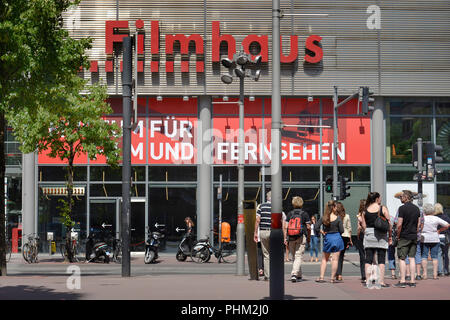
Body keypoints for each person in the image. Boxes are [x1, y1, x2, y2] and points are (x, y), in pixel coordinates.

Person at [361, 192, 391, 288]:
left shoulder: (365, 211)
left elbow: (364, 226)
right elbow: (389, 223)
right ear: (377, 199)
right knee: (381, 259)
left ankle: (368, 281)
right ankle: (381, 281)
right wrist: (390, 236)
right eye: (380, 198)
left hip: (369, 235)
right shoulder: (382, 208)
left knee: (368, 259)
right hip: (381, 235)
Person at [254, 191, 285, 281]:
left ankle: (268, 275)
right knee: (274, 254)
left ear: (267, 198)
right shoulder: (277, 207)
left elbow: (257, 220)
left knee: (266, 254)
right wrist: (282, 234)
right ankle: (275, 274)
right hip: (274, 232)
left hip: (263, 232)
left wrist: (255, 233)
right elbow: (281, 222)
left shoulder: (261, 206)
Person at [394, 190, 421, 288]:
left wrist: (398, 234)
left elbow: (399, 224)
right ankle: (413, 281)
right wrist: (415, 232)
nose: (400, 198)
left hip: (404, 236)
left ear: (406, 197)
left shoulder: (402, 208)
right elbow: (418, 224)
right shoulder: (417, 209)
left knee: (402, 258)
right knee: (412, 258)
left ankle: (402, 280)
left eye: (401, 197)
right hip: (413, 236)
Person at [314, 200, 344, 283]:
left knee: (324, 259)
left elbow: (316, 227)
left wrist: (322, 232)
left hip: (328, 238)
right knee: (335, 260)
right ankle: (332, 278)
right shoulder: (338, 218)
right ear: (334, 208)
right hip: (337, 238)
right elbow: (342, 230)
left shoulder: (324, 218)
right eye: (336, 207)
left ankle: (321, 277)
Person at [283, 196, 311, 282]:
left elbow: (285, 227)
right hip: (301, 237)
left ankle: (299, 275)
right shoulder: (304, 214)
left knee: (295, 256)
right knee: (298, 256)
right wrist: (309, 237)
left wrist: (285, 238)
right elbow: (309, 227)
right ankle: (294, 274)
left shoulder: (289, 214)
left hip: (291, 237)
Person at [420, 203, 450, 280]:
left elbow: (418, 226)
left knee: (424, 256)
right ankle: (435, 275)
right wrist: (439, 230)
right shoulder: (436, 218)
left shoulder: (422, 218)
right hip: (435, 238)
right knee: (435, 257)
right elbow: (447, 225)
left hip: (425, 238)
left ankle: (425, 274)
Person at [335, 202, 352, 281]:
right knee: (341, 256)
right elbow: (349, 229)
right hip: (345, 236)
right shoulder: (347, 216)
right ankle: (340, 274)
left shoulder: (335, 216)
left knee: (335, 256)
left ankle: (336, 273)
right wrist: (350, 239)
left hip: (337, 236)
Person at [434, 203, 450, 276]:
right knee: (446, 254)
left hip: (437, 237)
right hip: (445, 237)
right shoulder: (446, 217)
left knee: (438, 254)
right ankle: (446, 270)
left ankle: (440, 271)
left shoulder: (433, 218)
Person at [354, 199, 367, 283]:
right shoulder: (371, 212)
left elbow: (359, 227)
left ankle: (364, 275)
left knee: (362, 256)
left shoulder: (360, 214)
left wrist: (357, 234)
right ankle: (372, 274)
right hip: (370, 235)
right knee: (371, 255)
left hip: (362, 234)